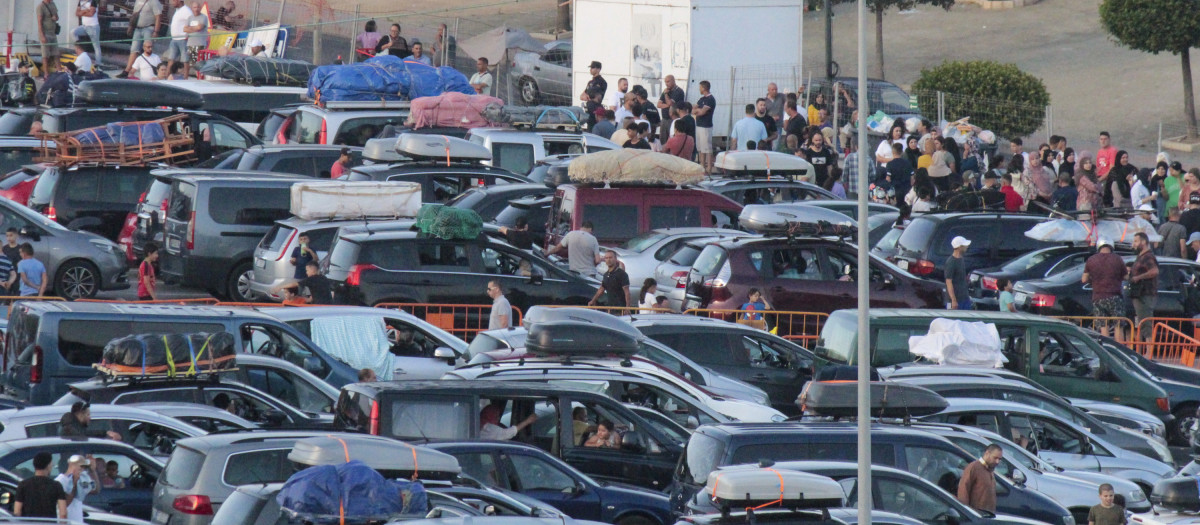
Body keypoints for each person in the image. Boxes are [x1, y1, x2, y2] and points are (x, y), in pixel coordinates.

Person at [1083, 238, 1128, 340]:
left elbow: (1084, 279)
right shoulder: (1117, 259)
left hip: (1097, 297)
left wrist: (1093, 280)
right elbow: (1126, 277)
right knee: (1118, 326)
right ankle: (1118, 349)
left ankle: (1106, 349)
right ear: (1111, 247)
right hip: (1114, 296)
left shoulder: (1091, 260)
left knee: (1103, 326)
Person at [15, 451, 66, 518]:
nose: (52, 466)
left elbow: (17, 511)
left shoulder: (23, 485)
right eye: (51, 463)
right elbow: (63, 513)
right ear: (48, 465)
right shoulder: (56, 485)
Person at [120, 0, 162, 79]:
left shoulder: (154, 2)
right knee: (134, 50)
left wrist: (156, 31)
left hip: (149, 28)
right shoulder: (138, 1)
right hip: (138, 28)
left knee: (149, 49)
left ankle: (155, 70)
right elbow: (134, 14)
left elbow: (158, 16)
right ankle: (127, 71)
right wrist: (131, 26)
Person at [1129, 232, 1159, 340]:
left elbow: (1154, 271)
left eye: (1136, 241)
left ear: (1144, 242)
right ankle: (1141, 350)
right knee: (1140, 323)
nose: (1134, 244)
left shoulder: (1148, 256)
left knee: (1146, 322)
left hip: (1145, 294)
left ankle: (1149, 351)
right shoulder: (1140, 257)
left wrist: (1138, 277)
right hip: (1138, 295)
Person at [957, 444, 1002, 512]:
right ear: (987, 453)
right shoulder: (974, 467)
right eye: (995, 458)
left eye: (999, 459)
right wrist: (965, 512)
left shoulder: (990, 470)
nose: (997, 461)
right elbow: (963, 491)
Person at [56, 454, 99, 523]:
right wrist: (74, 482)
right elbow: (65, 504)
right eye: (81, 466)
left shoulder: (80, 479)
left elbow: (95, 490)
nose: (83, 469)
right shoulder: (60, 481)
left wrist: (93, 471)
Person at [693, 80, 716, 173]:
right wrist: (698, 110)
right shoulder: (701, 99)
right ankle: (702, 167)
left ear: (704, 88)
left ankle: (709, 168)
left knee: (707, 148)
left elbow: (702, 112)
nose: (699, 89)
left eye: (700, 87)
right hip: (698, 125)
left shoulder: (710, 99)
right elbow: (693, 110)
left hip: (706, 126)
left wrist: (698, 110)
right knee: (701, 148)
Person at [945, 236, 972, 310]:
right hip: (953, 301)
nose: (967, 247)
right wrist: (953, 300)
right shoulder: (951, 262)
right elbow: (948, 282)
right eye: (965, 245)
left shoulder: (961, 259)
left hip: (964, 298)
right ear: (960, 247)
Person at [656, 75, 685, 143]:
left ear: (673, 81)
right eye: (665, 82)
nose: (666, 84)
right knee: (663, 140)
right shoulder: (666, 90)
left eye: (668, 81)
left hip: (672, 119)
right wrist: (667, 105)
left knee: (672, 140)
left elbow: (670, 103)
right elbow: (658, 104)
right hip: (664, 119)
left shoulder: (678, 91)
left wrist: (666, 94)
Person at [37, 0, 60, 80]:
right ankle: (46, 74)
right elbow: (39, 22)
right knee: (45, 55)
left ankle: (59, 71)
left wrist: (55, 18)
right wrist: (42, 35)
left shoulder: (53, 4)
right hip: (45, 32)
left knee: (56, 53)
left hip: (52, 33)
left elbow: (57, 17)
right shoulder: (40, 6)